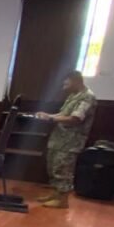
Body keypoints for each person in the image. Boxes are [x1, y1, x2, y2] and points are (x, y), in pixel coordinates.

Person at [34, 70, 98, 208]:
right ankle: (56, 194)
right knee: (53, 166)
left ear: (76, 80)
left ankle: (62, 200)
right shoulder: (73, 96)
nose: (64, 85)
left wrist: (51, 118)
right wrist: (48, 115)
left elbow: (75, 119)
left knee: (63, 169)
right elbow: (63, 114)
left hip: (71, 141)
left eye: (66, 82)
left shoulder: (87, 97)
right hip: (59, 139)